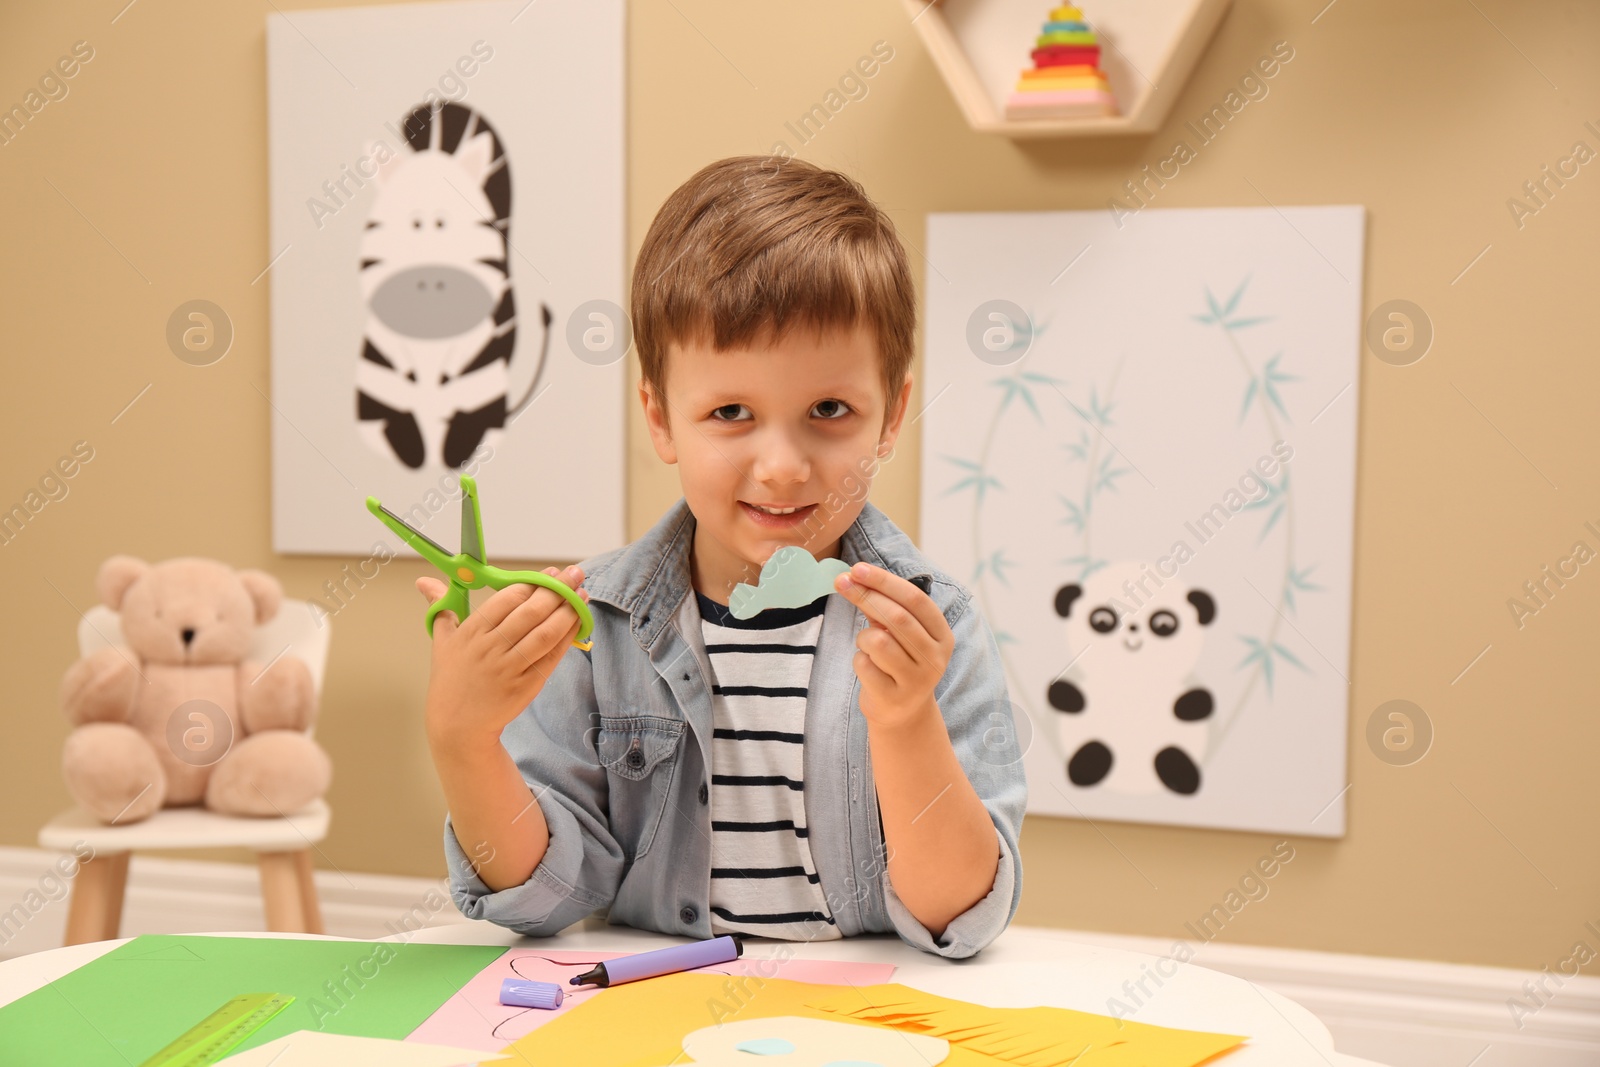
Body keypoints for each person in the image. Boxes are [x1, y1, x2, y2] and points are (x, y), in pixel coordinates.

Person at [418, 155, 1026, 958]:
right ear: (661, 417)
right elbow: (545, 897)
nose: (781, 464)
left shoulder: (933, 623)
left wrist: (907, 720)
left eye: (830, 409)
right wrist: (463, 739)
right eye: (732, 411)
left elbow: (962, 914)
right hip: (651, 1010)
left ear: (891, 414)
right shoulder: (599, 626)